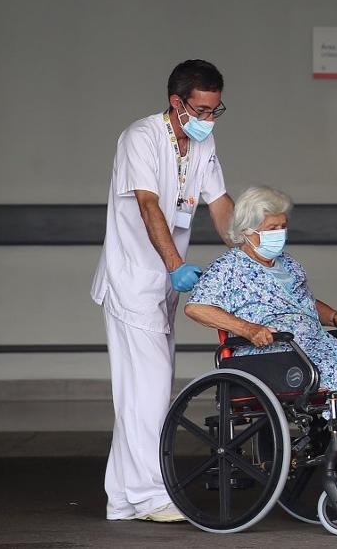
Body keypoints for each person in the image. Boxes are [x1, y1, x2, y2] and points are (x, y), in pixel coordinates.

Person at [184, 185, 337, 482]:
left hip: (316, 345)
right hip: (273, 352)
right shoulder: (227, 268)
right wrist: (248, 329)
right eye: (272, 227)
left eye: (283, 226)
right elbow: (196, 308)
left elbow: (308, 305)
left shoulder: (289, 265)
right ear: (247, 230)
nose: (280, 233)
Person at [92, 59, 235, 522]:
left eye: (216, 111)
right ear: (177, 103)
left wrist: (246, 252)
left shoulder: (202, 141)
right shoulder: (141, 138)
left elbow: (219, 203)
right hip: (133, 280)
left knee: (142, 390)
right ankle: (151, 495)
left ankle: (122, 497)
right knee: (149, 392)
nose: (208, 120)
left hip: (163, 287)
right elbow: (150, 206)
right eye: (202, 110)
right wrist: (175, 266)